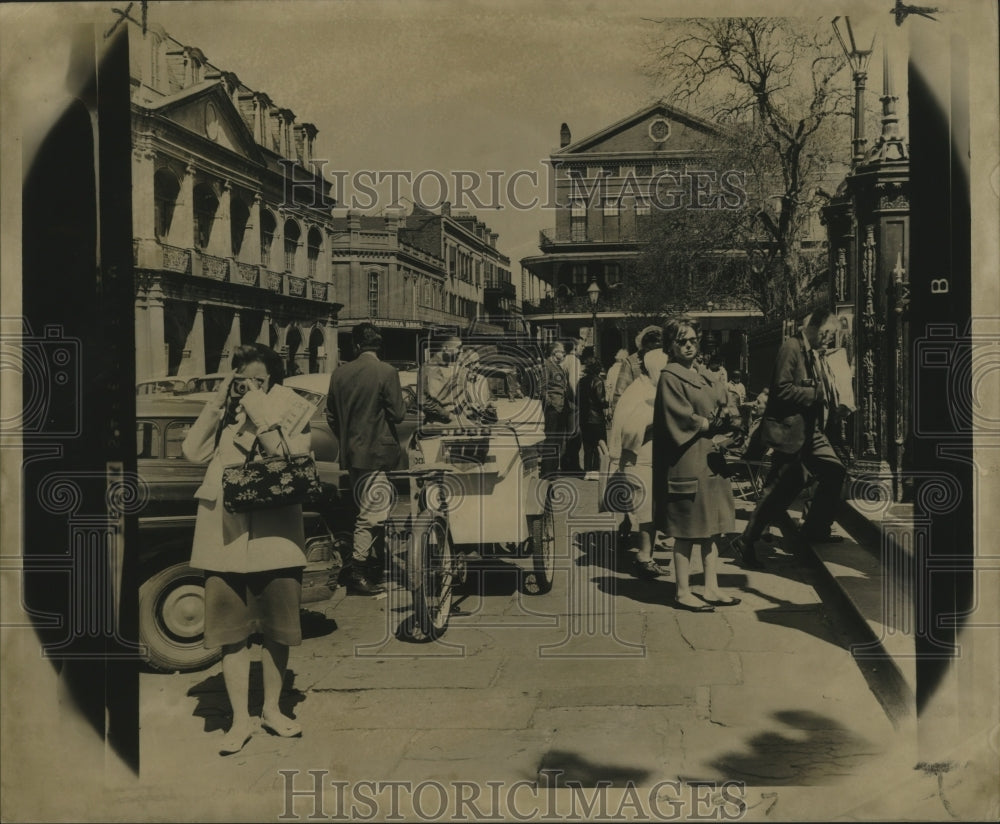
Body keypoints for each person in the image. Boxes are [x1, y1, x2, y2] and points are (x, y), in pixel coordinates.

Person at [182, 343, 308, 755]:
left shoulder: (293, 406)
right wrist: (219, 402)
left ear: (271, 377)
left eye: (255, 378)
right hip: (225, 536)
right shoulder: (227, 412)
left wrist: (258, 407)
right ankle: (239, 720)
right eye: (240, 378)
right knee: (231, 633)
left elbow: (283, 453)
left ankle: (272, 710)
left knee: (277, 630)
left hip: (275, 537)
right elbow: (191, 452)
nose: (246, 385)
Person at [730, 308, 847, 569]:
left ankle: (816, 527)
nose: (830, 339)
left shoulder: (809, 351)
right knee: (779, 492)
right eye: (829, 334)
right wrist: (816, 392)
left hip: (808, 431)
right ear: (817, 328)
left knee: (834, 471)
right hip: (791, 432)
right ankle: (746, 541)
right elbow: (781, 390)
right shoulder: (790, 348)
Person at [653, 317, 741, 612]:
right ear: (671, 345)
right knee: (687, 529)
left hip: (709, 458)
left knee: (712, 527)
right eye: (682, 341)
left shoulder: (702, 373)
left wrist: (725, 411)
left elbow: (722, 399)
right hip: (687, 459)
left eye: (692, 340)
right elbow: (679, 416)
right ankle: (682, 591)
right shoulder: (670, 376)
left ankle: (712, 587)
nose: (689, 345)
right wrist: (708, 422)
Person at [326, 323, 407, 595]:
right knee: (372, 514)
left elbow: (331, 417)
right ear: (378, 345)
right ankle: (358, 571)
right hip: (378, 453)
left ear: (356, 345)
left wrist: (349, 438)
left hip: (352, 454)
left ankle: (375, 564)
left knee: (367, 508)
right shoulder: (387, 372)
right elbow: (398, 414)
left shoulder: (339, 374)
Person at [607, 347, 670, 579]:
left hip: (644, 457)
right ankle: (644, 558)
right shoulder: (642, 391)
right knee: (646, 510)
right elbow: (632, 428)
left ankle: (647, 552)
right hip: (639, 458)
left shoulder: (647, 386)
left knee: (649, 508)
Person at [419, 334, 494, 425]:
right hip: (441, 423)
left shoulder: (450, 366)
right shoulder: (430, 368)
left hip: (458, 419)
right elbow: (424, 402)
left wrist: (470, 406)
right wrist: (450, 416)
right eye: (458, 347)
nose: (461, 351)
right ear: (446, 349)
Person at [540, 340, 571, 477]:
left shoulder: (558, 366)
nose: (563, 354)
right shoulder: (546, 366)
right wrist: (550, 403)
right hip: (553, 409)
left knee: (558, 439)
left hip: (561, 407)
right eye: (561, 351)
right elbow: (542, 387)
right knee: (551, 439)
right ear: (554, 352)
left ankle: (553, 469)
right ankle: (548, 471)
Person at [577, 347, 608, 481]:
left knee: (587, 446)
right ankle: (596, 470)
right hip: (596, 418)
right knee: (598, 445)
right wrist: (607, 403)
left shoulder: (581, 381)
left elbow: (577, 398)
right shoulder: (598, 381)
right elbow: (601, 401)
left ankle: (587, 471)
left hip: (584, 417)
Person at [560, 338, 583, 473]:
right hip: (572, 402)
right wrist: (578, 400)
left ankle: (564, 463)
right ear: (574, 347)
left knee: (566, 433)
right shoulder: (574, 360)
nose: (582, 348)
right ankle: (572, 465)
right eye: (580, 346)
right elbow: (574, 382)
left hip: (563, 401)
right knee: (575, 434)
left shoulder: (562, 360)